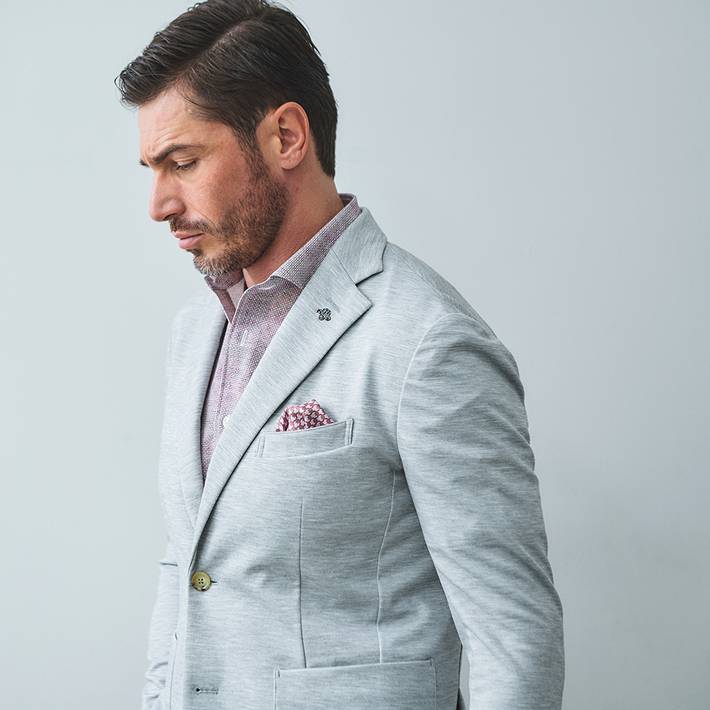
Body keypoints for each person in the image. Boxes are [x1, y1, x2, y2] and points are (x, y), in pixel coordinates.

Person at [115, 1, 565, 708]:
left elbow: (516, 643)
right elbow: (188, 562)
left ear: (286, 137)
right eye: (152, 169)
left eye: (183, 162)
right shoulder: (195, 330)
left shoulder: (425, 339)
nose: (159, 203)